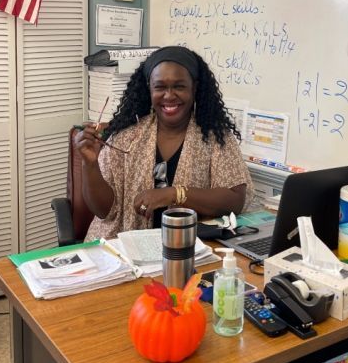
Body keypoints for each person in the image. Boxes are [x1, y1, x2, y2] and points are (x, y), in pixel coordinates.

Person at [75, 45, 254, 240]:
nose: (169, 95)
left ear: (194, 88)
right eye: (160, 87)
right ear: (149, 88)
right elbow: (104, 212)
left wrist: (174, 194)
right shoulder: (125, 137)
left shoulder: (215, 137)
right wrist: (90, 164)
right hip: (124, 247)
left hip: (191, 247)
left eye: (179, 86)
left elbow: (235, 200)